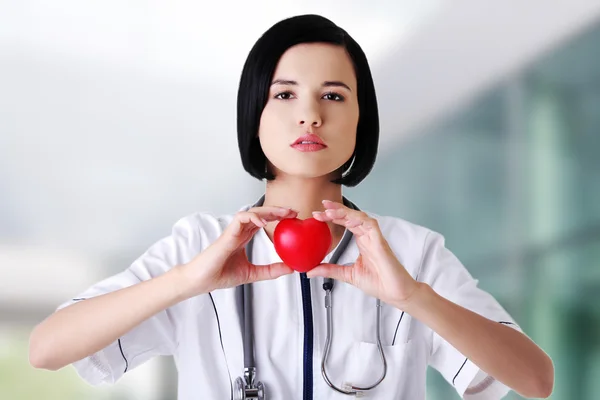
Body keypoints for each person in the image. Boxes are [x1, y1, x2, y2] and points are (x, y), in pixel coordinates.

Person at [29, 14, 554, 400]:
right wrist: (188, 281)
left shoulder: (411, 252)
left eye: (333, 96)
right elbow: (46, 350)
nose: (309, 116)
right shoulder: (198, 245)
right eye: (284, 95)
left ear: (361, 120)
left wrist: (413, 295)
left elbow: (535, 379)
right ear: (253, 114)